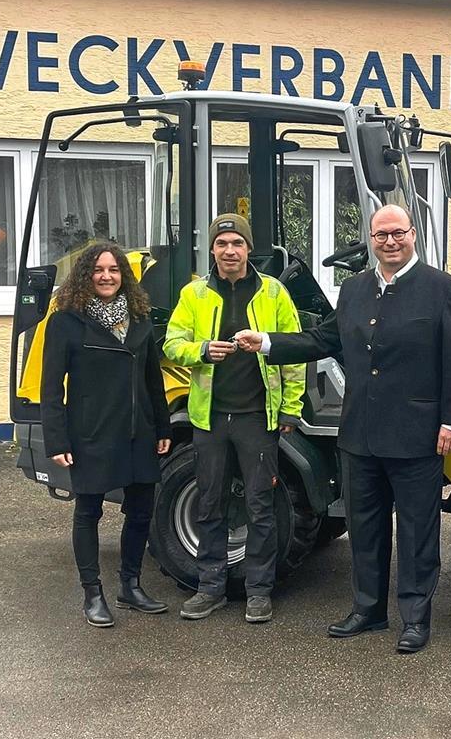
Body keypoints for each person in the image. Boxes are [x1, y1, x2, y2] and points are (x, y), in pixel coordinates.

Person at [235, 204, 451, 653]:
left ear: (413, 235)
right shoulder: (354, 290)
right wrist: (265, 342)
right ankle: (368, 611)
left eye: (397, 234)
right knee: (365, 528)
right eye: (381, 235)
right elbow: (322, 340)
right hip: (360, 435)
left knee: (418, 532)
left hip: (418, 434)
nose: (389, 242)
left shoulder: (443, 289)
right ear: (370, 239)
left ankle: (415, 618)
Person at [163, 213, 305, 624]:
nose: (229, 251)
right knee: (209, 503)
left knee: (260, 507)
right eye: (222, 243)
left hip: (256, 417)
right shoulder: (194, 295)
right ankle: (209, 588)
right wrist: (203, 350)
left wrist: (291, 407)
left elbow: (292, 351)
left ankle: (259, 591)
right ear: (212, 249)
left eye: (237, 243)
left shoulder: (273, 293)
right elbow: (172, 344)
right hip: (209, 418)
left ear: (248, 249)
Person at [40, 242, 172, 628]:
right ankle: (92, 593)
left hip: (138, 433)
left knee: (141, 510)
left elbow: (152, 379)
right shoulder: (66, 321)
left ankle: (129, 586)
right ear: (86, 275)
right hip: (91, 435)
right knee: (88, 512)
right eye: (98, 270)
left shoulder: (140, 318)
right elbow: (51, 389)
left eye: (114, 270)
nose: (106, 276)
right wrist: (57, 440)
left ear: (123, 277)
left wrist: (162, 426)